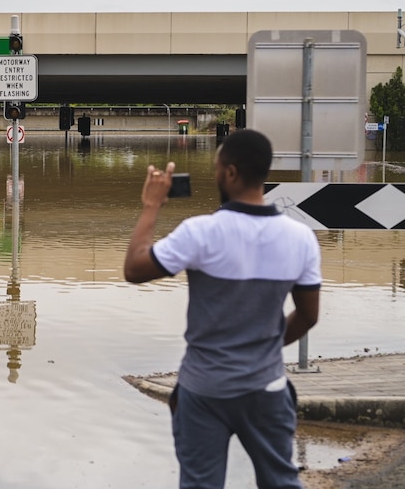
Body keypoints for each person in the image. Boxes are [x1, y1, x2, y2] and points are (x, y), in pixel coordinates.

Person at [123, 129, 321, 489]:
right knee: (281, 481)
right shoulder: (301, 239)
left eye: (217, 167)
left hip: (204, 391)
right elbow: (309, 316)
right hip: (267, 388)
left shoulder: (200, 233)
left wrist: (152, 205)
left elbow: (134, 269)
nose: (215, 174)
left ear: (230, 173)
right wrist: (265, 348)